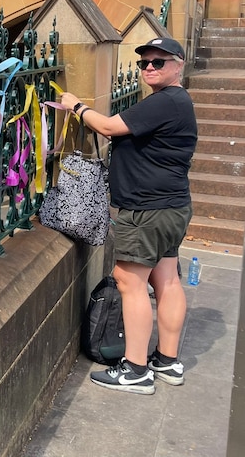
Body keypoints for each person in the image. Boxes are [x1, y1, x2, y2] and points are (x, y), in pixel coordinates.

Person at [59, 37, 197, 395]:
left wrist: (76, 106)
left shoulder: (166, 102)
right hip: (172, 207)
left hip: (148, 210)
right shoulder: (175, 102)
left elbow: (106, 127)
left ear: (178, 64)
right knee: (165, 279)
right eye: (144, 63)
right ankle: (167, 361)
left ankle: (136, 370)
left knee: (129, 281)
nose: (149, 67)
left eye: (159, 61)